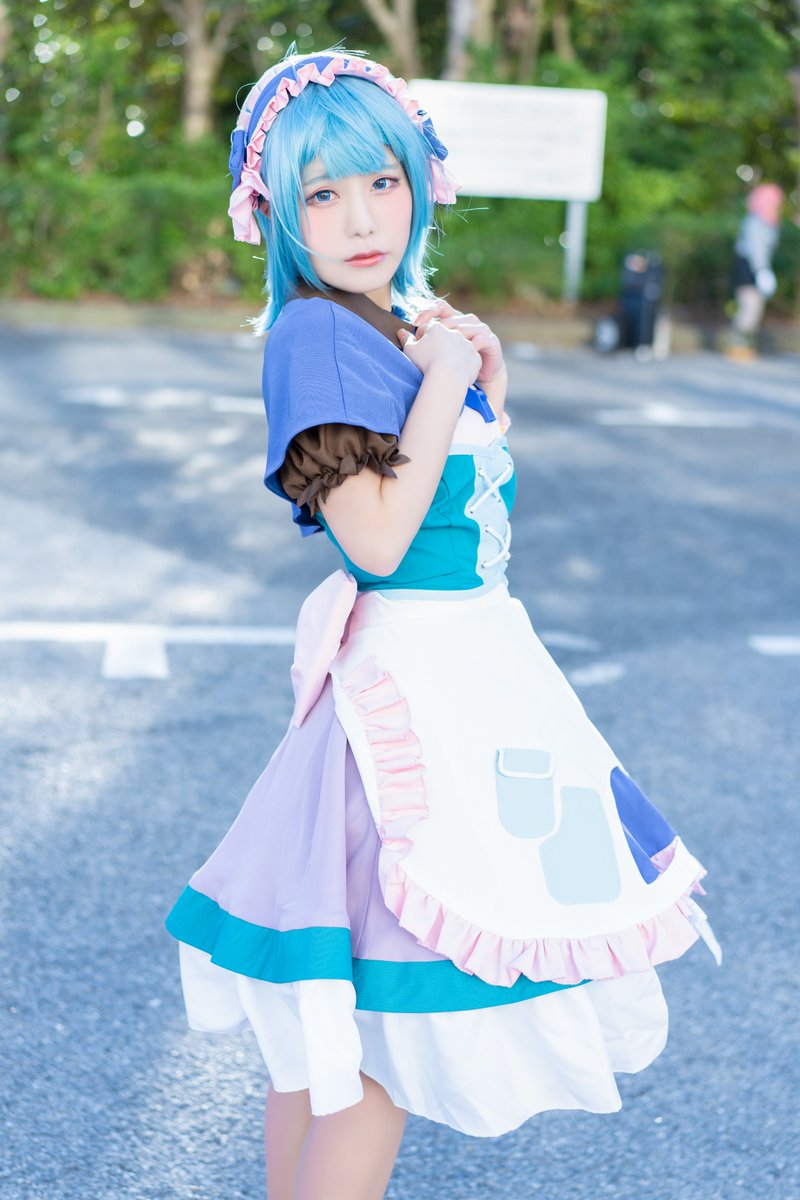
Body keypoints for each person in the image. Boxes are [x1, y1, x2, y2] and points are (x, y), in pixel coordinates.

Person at [165, 48, 720, 1200]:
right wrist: (440, 380)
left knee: (329, 1041)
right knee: (372, 1051)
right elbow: (374, 539)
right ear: (277, 213)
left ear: (421, 179)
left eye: (381, 181)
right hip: (411, 711)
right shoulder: (318, 333)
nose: (362, 217)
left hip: (450, 684)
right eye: (323, 193)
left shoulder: (380, 322)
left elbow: (457, 509)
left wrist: (471, 377)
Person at [726, 182, 784, 362]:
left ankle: (742, 344)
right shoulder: (755, 221)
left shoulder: (766, 221)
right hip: (748, 268)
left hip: (755, 268)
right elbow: (756, 249)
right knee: (749, 307)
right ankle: (738, 345)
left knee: (754, 308)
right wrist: (762, 271)